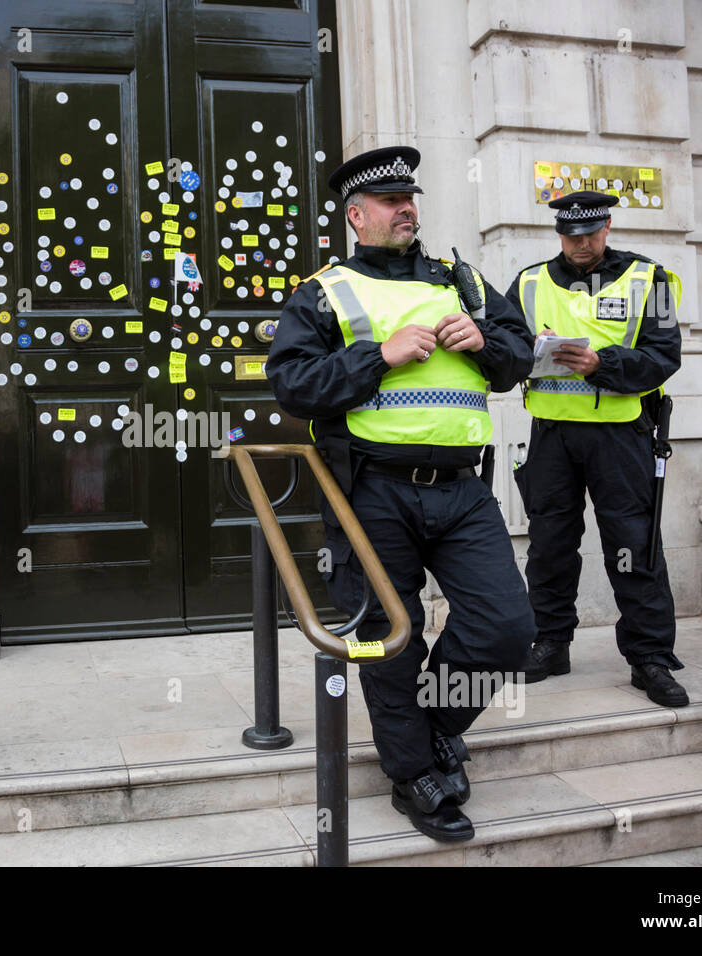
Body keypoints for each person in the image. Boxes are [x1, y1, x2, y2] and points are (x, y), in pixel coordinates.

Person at [266, 146, 536, 843]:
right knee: (391, 638)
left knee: (508, 629)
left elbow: (516, 359)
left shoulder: (464, 279)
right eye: (389, 201)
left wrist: (484, 340)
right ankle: (413, 772)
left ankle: (437, 726)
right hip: (371, 489)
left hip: (464, 489)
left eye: (409, 197)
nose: (405, 208)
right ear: (357, 216)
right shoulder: (324, 291)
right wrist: (377, 356)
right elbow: (293, 385)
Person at [505, 190, 687, 708]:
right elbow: (502, 347)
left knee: (633, 547)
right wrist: (528, 349)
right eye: (570, 235)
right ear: (558, 233)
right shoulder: (529, 282)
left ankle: (650, 657)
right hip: (552, 435)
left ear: (607, 228)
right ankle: (550, 643)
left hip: (621, 434)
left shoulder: (648, 280)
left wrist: (601, 366)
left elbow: (663, 356)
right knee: (550, 544)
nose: (580, 244)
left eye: (590, 234)